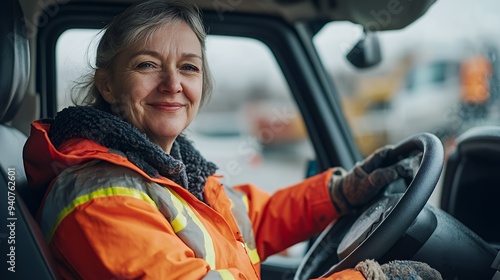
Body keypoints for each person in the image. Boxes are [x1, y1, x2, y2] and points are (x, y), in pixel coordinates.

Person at [23, 0, 441, 279]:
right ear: (108, 85)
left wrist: (339, 193)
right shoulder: (99, 197)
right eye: (148, 64)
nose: (172, 84)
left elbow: (248, 222)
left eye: (188, 67)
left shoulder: (177, 171)